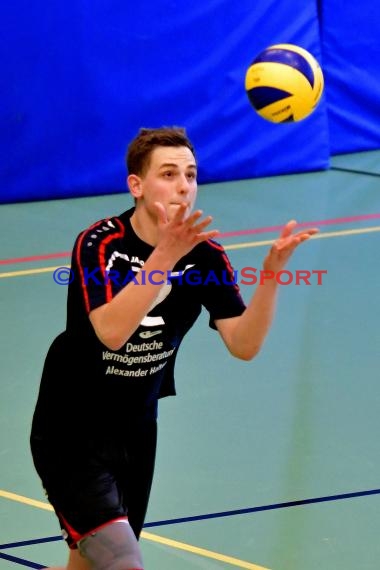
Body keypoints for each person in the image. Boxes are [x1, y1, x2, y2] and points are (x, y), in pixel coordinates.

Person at [30, 127, 318, 570]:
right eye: (169, 174)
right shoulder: (100, 243)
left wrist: (271, 276)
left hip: (136, 430)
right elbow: (111, 332)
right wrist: (164, 255)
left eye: (191, 174)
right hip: (71, 428)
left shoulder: (205, 257)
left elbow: (243, 344)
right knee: (124, 561)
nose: (184, 185)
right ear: (137, 186)